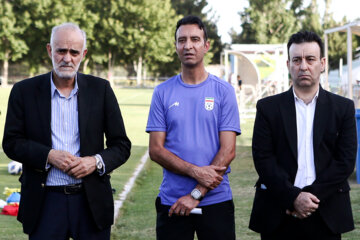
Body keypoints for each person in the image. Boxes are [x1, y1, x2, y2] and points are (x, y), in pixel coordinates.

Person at [2, 22, 131, 240]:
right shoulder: (24, 91)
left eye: (74, 52)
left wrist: (95, 161)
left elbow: (121, 145)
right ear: (50, 50)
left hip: (90, 204)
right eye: (61, 50)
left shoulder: (101, 90)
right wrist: (49, 156)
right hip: (45, 203)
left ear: (84, 54)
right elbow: (11, 142)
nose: (67, 58)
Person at [249, 31, 357, 240]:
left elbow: (345, 161)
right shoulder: (267, 108)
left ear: (322, 63)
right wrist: (293, 197)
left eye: (310, 59)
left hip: (325, 212)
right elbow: (263, 159)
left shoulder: (343, 108)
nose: (304, 66)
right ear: (288, 64)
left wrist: (308, 198)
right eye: (297, 60)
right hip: (279, 212)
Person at [146, 15, 241, 240]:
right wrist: (196, 171)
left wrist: (196, 193)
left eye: (195, 39)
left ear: (206, 45)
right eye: (182, 40)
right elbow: (156, 150)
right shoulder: (162, 92)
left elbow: (228, 151)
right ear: (176, 46)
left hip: (216, 201)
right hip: (172, 201)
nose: (188, 45)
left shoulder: (224, 91)